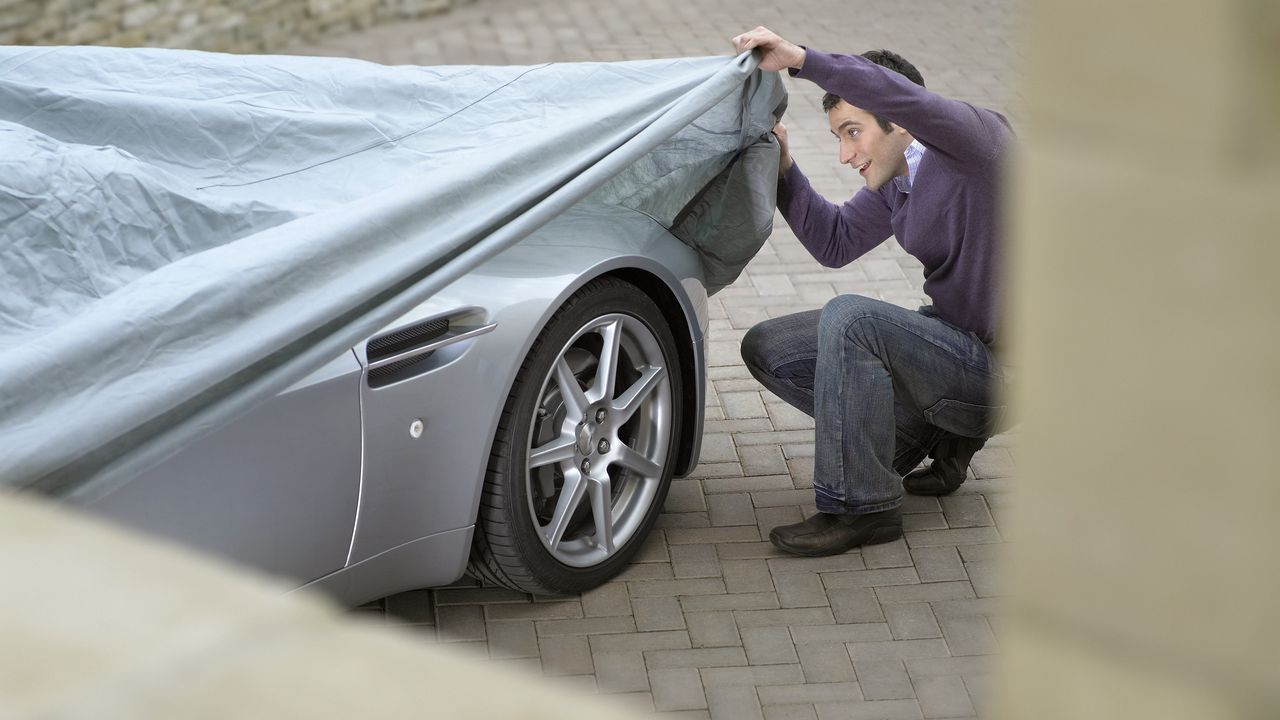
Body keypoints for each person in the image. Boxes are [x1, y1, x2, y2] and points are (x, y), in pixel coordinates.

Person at [730, 27, 1011, 557]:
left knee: (853, 320)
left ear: (900, 118)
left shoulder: (978, 146)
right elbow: (834, 242)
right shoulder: (899, 180)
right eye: (839, 136)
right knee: (770, 345)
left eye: (853, 132)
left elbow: (901, 95)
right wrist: (785, 167)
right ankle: (911, 440)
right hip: (955, 348)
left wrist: (802, 60)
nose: (845, 154)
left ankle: (862, 506)